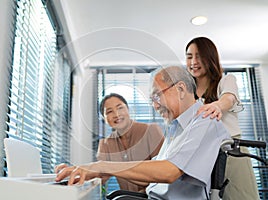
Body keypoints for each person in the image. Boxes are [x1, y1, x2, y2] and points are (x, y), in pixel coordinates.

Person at [54, 66, 230, 200]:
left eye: (156, 96)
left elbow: (168, 172)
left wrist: (101, 166)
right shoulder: (176, 128)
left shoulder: (205, 121)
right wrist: (88, 170)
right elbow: (152, 177)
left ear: (181, 89)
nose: (154, 105)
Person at [185, 36, 259, 200]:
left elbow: (229, 98)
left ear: (210, 57)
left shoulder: (226, 80)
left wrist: (217, 106)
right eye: (189, 56)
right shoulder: (187, 94)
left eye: (199, 56)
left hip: (231, 151)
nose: (193, 61)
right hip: (203, 156)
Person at [97, 93, 164, 192]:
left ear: (128, 109)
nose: (116, 114)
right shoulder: (106, 144)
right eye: (110, 111)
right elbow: (99, 176)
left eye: (120, 108)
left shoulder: (151, 131)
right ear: (104, 118)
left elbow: (163, 172)